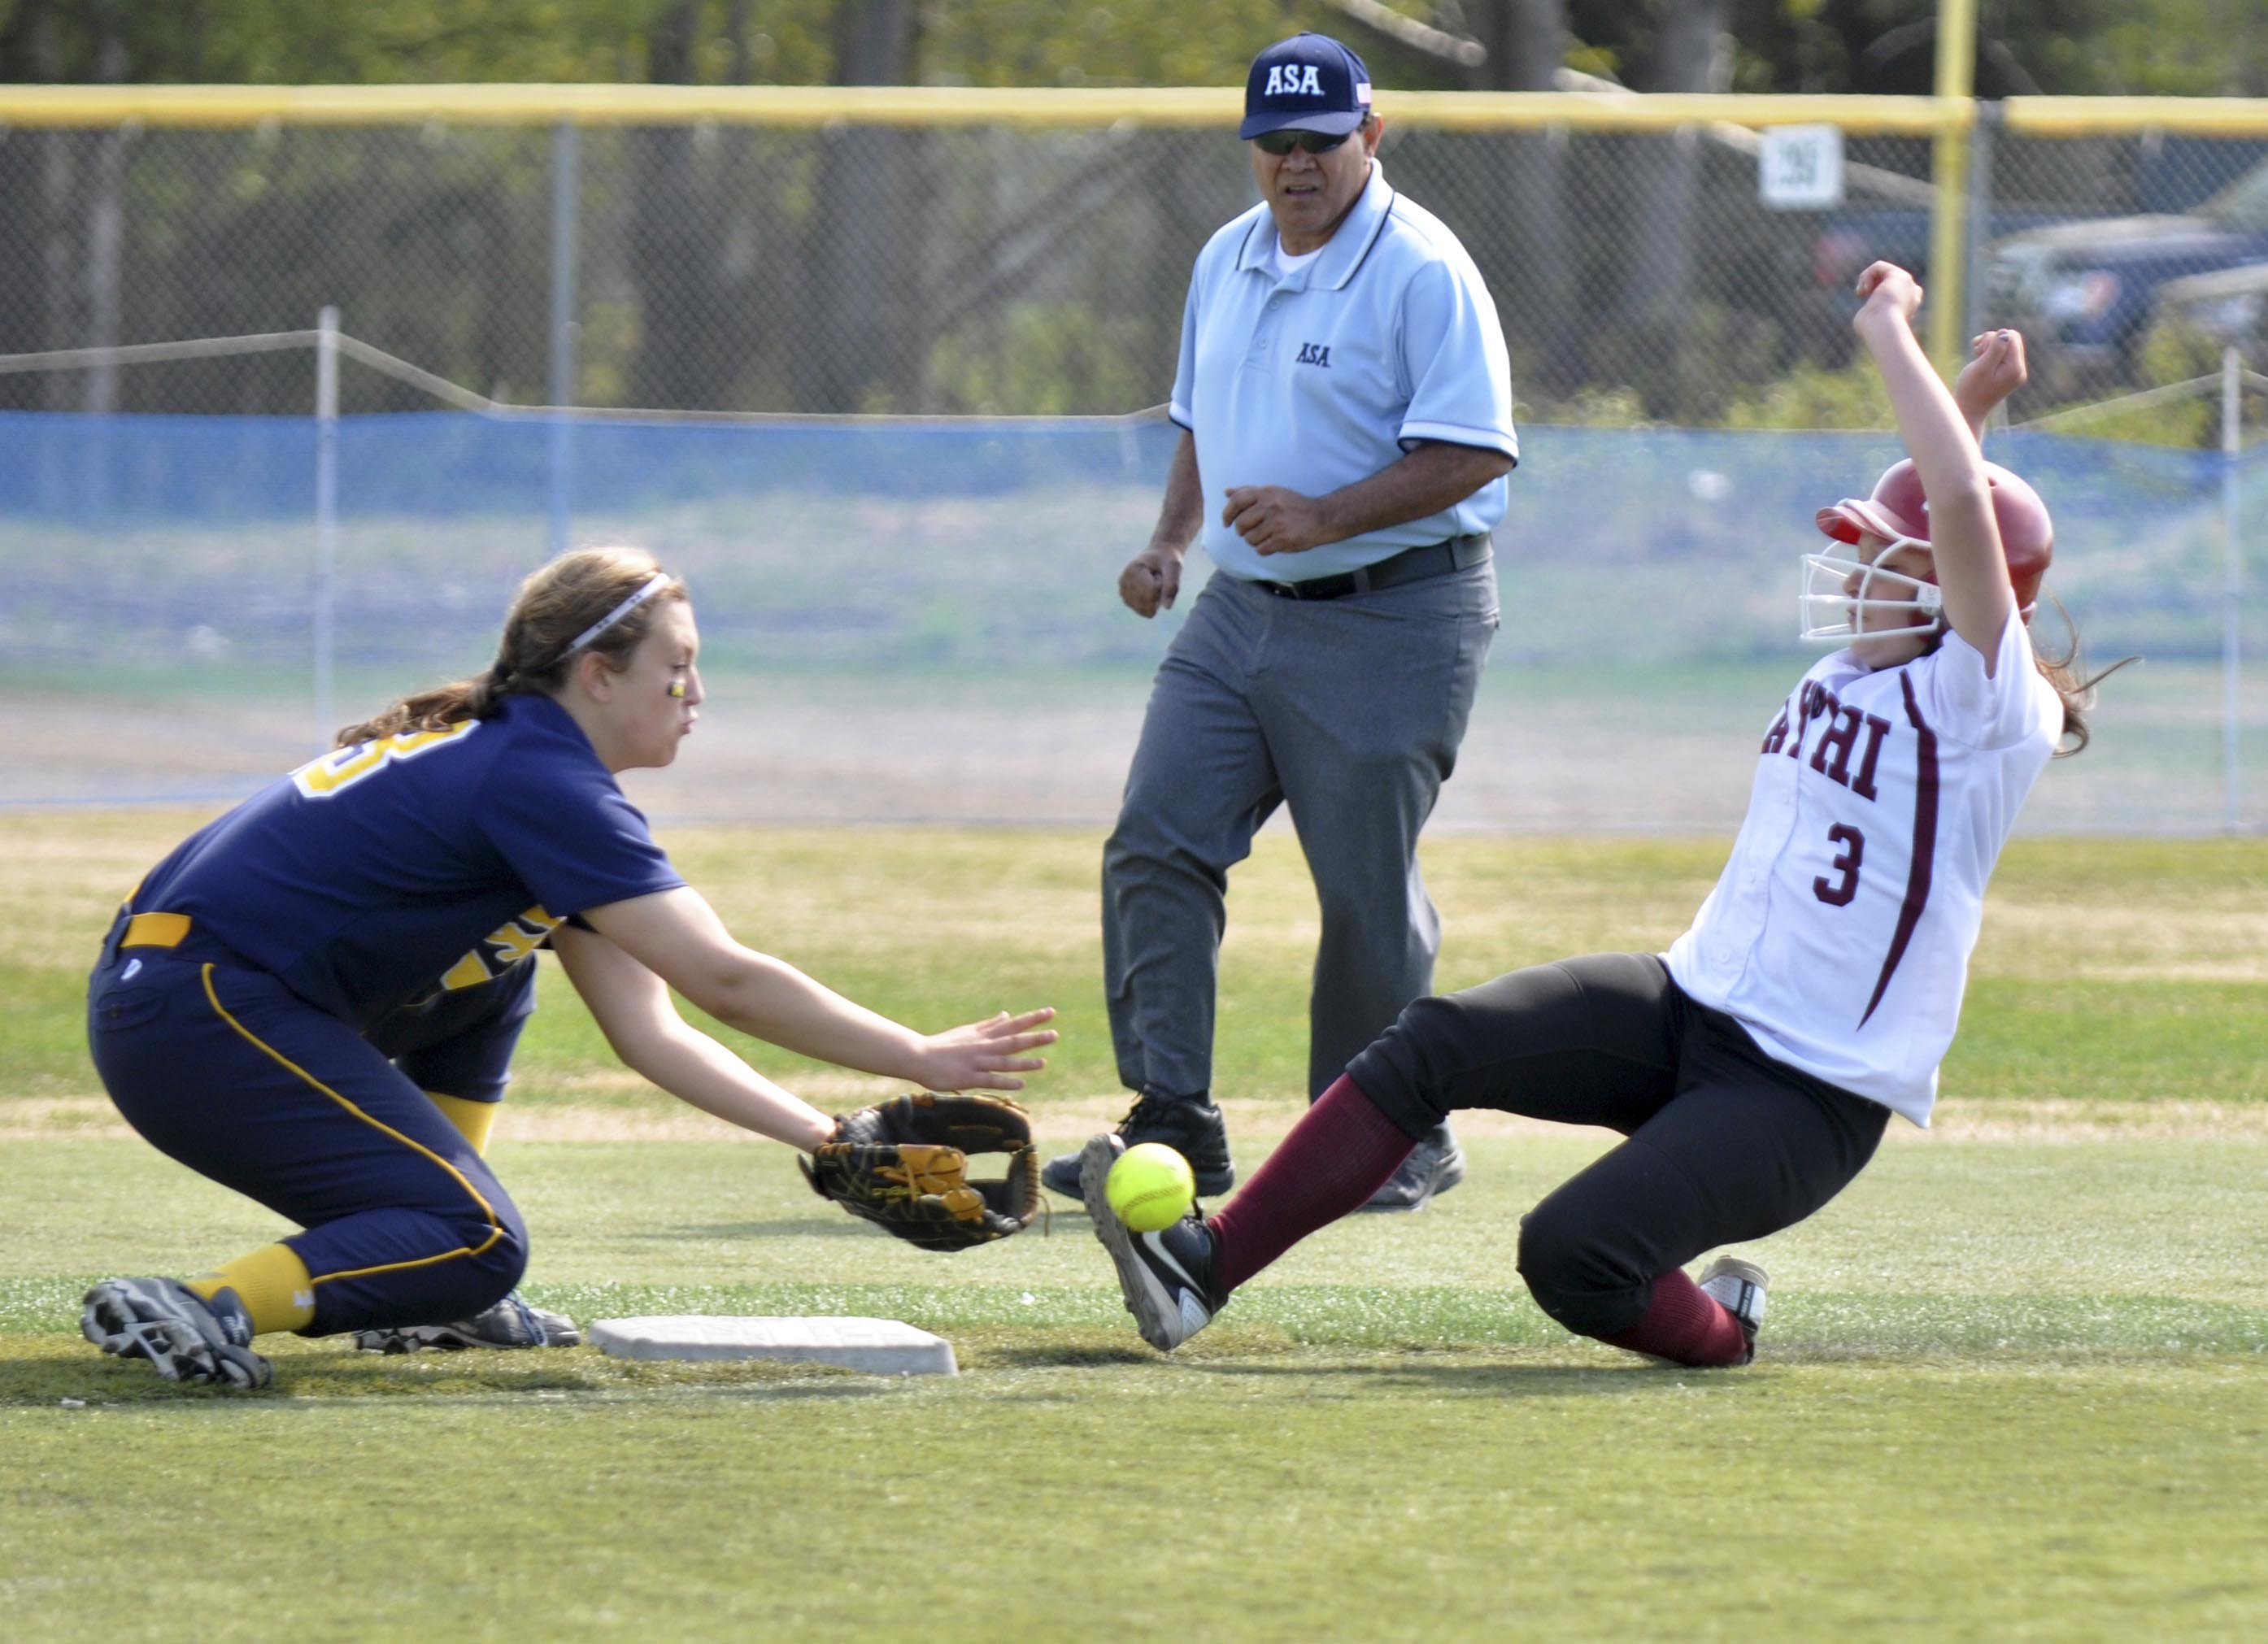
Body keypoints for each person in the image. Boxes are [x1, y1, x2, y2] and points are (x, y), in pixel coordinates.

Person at [1082, 270, 2125, 1365]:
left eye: (1879, 554)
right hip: (1691, 1005)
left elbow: (1958, 513)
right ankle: (1199, 1270)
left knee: (1569, 1253)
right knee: (1430, 1042)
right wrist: (1964, 400)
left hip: (1805, 1092)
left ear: (1955, 593)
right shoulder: (1859, 670)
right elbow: (1941, 505)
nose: (1856, 563)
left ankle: (1726, 1332)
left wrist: (1888, 333)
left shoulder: (1984, 704)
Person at [79, 546, 1056, 1388]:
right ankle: (206, 1304)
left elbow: (655, 1031)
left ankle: (425, 1276)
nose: (696, 694)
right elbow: (724, 979)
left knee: (503, 967)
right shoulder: (541, 780)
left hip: (185, 1001)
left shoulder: (516, 759)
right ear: (596, 674)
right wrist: (917, 1054)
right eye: (676, 667)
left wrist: (828, 1139)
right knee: (482, 1241)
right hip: (200, 1013)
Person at [1039, 31, 1519, 1214]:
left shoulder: (1421, 268)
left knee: (1362, 888)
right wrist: (1168, 540)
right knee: (1157, 837)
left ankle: (1390, 1135)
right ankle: (1173, 1116)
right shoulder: (1229, 254)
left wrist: (1328, 513)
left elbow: (1474, 451)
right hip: (1237, 609)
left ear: (1373, 133)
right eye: (1273, 143)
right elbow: (1207, 415)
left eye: (1320, 140)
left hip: (1395, 611)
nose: (1295, 164)